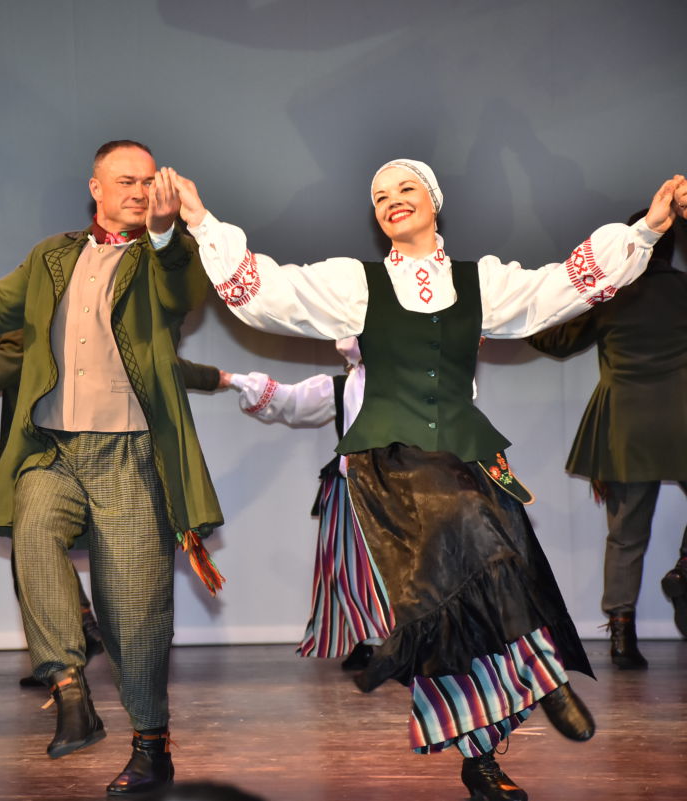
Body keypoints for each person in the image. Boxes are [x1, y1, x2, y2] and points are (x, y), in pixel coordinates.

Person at [172, 161, 686, 801]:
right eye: (380, 196)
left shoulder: (481, 282)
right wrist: (201, 221)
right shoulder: (355, 285)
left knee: (463, 614)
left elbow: (561, 287)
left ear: (434, 200)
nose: (392, 201)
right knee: (480, 540)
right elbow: (267, 293)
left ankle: (481, 760)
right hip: (391, 462)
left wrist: (647, 230)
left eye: (405, 189)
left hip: (466, 454)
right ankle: (545, 678)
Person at [0, 140, 224, 796]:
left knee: (134, 612)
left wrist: (164, 233)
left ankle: (151, 746)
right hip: (52, 448)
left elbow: (182, 289)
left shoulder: (164, 256)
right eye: (125, 181)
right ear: (95, 187)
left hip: (131, 453)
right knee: (32, 532)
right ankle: (69, 689)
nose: (139, 191)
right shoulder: (52, 256)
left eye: (148, 182)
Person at [0, 330, 232, 688]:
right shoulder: (69, 327)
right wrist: (219, 377)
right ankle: (80, 638)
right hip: (86, 461)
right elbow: (161, 362)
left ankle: (75, 655)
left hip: (59, 462)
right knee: (43, 549)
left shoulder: (32, 330)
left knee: (40, 550)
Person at [527, 212, 687, 665]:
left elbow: (557, 341)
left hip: (625, 427)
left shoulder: (610, 293)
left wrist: (517, 320)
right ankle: (685, 568)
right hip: (683, 420)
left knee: (625, 535)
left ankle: (621, 638)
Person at [228, 338, 393, 672]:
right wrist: (235, 380)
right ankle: (370, 641)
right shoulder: (343, 388)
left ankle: (407, 642)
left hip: (405, 488)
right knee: (351, 567)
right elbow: (292, 401)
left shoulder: (418, 387)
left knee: (406, 566)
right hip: (352, 489)